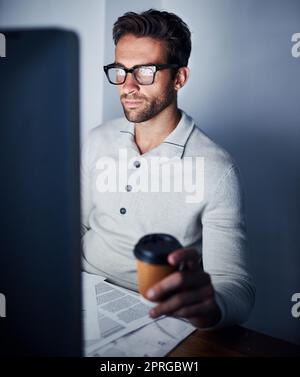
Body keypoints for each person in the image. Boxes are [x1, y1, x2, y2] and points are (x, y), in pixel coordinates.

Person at [81, 9, 255, 329]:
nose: (128, 86)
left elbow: (235, 286)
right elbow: (75, 229)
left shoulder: (216, 169)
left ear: (179, 78)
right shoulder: (97, 140)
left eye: (145, 71)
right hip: (81, 295)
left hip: (157, 316)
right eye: (121, 70)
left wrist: (209, 306)